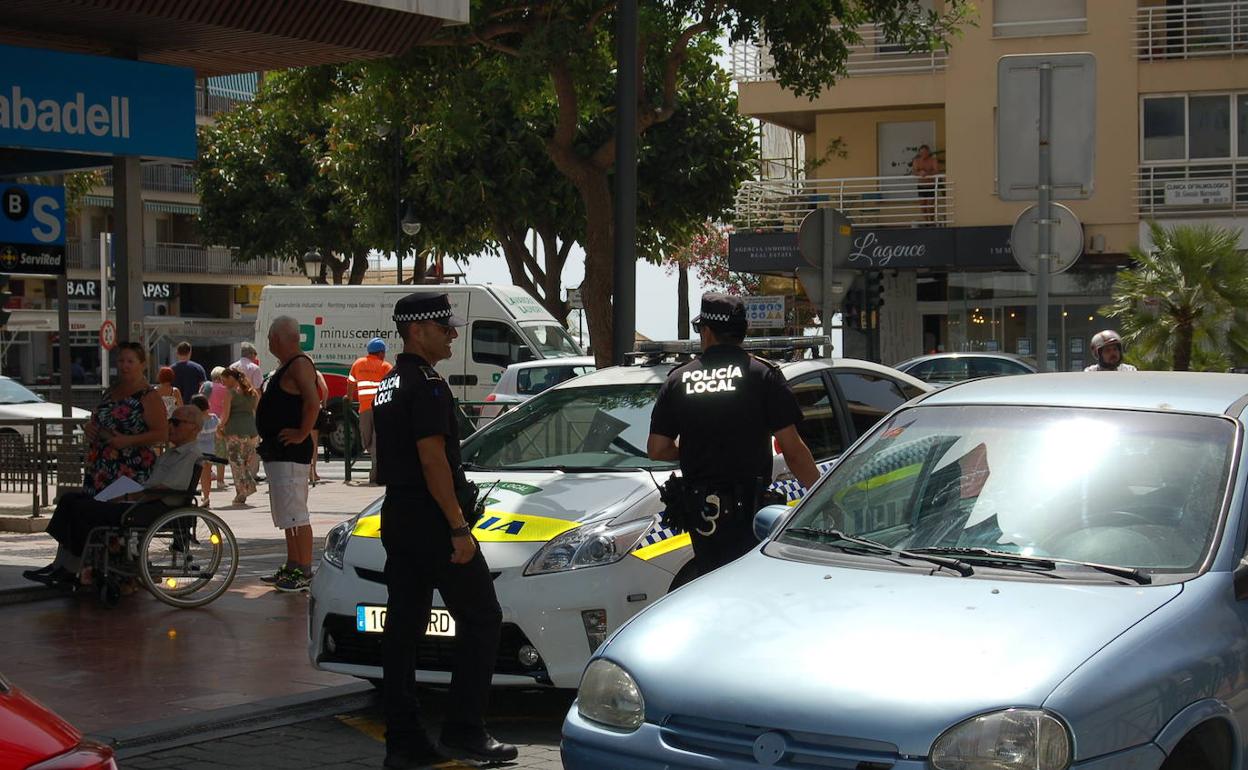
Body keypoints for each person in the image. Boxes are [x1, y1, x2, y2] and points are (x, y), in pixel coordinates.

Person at [372, 293, 516, 768]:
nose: (453, 334)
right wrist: (458, 526)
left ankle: (404, 740)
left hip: (399, 514)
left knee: (403, 628)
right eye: (444, 327)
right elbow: (433, 459)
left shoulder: (389, 382)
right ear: (417, 331)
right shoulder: (428, 384)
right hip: (433, 518)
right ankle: (465, 731)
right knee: (482, 618)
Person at [647, 293, 821, 576]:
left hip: (704, 518)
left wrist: (695, 450)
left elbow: (657, 449)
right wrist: (823, 496)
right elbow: (793, 450)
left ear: (706, 331)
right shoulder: (763, 375)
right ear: (742, 331)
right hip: (752, 517)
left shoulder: (679, 379)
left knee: (711, 585)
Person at [24, 405, 204, 587]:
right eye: (170, 421)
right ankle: (61, 564)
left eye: (176, 422)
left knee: (84, 509)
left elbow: (165, 489)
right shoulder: (171, 453)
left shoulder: (190, 455)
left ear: (194, 428)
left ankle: (70, 568)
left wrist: (129, 496)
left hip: (153, 508)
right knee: (69, 499)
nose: (170, 426)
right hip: (143, 501)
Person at [256, 316, 320, 592]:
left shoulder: (300, 364)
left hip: (291, 451)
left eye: (270, 338)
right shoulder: (287, 366)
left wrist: (302, 433)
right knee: (287, 514)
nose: (269, 343)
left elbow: (313, 401)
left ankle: (304, 569)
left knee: (296, 513)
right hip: (279, 450)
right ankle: (293, 563)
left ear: (278, 339)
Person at [83, 342, 169, 495]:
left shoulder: (149, 396)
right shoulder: (111, 391)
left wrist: (129, 441)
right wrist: (90, 427)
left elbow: (162, 434)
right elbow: (100, 418)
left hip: (130, 468)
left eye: (130, 361)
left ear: (142, 365)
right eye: (121, 361)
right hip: (99, 465)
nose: (125, 366)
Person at [347, 337, 392, 485]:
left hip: (365, 409)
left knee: (367, 441)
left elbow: (351, 382)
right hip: (382, 409)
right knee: (376, 443)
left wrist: (349, 397)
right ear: (380, 353)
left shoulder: (358, 364)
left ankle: (376, 474)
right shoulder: (386, 366)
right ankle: (378, 468)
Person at [218, 367, 260, 506]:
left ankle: (241, 492)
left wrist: (219, 427)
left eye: (224, 380)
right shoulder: (252, 392)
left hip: (234, 431)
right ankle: (246, 488)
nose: (223, 383)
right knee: (245, 463)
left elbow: (226, 415)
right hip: (251, 431)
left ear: (231, 378)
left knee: (236, 463)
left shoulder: (230, 393)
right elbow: (256, 412)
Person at [200, 366, 230, 491]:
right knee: (220, 451)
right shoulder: (225, 389)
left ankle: (207, 476)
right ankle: (220, 481)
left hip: (206, 420)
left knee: (206, 450)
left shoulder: (205, 386)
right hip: (220, 422)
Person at [191, 395, 220, 508]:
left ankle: (198, 495)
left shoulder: (195, 421)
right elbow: (218, 434)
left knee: (197, 474)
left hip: (197, 450)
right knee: (207, 474)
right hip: (210, 450)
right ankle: (206, 495)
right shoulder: (214, 418)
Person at [910, 144, 941, 222]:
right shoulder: (916, 161)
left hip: (931, 186)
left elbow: (936, 171)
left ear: (928, 152)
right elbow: (913, 172)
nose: (923, 154)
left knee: (930, 206)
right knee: (923, 205)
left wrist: (927, 173)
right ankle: (926, 221)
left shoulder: (933, 160)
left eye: (925, 152)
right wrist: (920, 173)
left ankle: (932, 221)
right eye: (921, 152)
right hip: (921, 186)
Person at [309, 368, 328, 485]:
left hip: (300, 408)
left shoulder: (298, 371)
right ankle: (313, 472)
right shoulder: (316, 373)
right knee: (313, 442)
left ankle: (303, 470)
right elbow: (325, 389)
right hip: (313, 408)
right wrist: (323, 403)